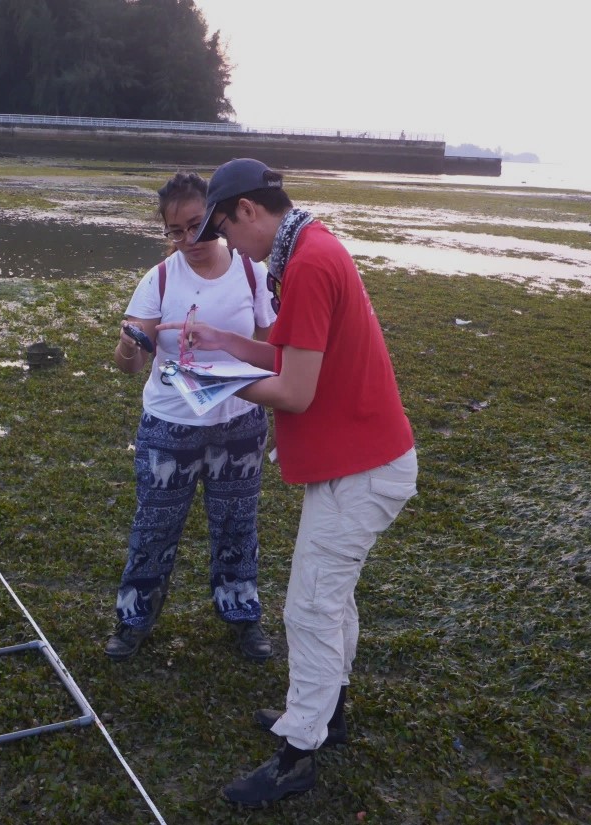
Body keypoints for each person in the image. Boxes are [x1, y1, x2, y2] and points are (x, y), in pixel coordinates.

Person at [164, 158, 418, 807]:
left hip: (361, 468)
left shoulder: (305, 262)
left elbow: (295, 392)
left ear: (248, 211)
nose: (226, 246)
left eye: (222, 229)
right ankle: (328, 711)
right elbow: (288, 345)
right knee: (330, 597)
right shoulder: (310, 242)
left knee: (308, 606)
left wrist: (208, 382)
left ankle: (297, 754)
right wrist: (223, 341)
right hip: (358, 458)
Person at [106, 171, 278, 663]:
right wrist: (127, 344)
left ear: (218, 216)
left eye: (198, 225)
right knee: (155, 527)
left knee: (236, 526)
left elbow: (271, 348)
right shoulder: (158, 279)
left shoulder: (250, 272)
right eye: (176, 231)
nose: (189, 240)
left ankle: (242, 615)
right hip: (170, 425)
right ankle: (134, 618)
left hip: (240, 423)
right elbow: (130, 363)